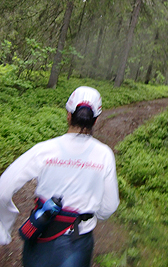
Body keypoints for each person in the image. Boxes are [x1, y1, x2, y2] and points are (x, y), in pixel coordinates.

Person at [0, 86, 119, 267]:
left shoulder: (45, 150)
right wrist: (94, 214)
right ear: (95, 120)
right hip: (79, 243)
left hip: (40, 236)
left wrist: (5, 228)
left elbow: (3, 187)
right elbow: (109, 206)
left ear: (68, 115)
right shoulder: (104, 155)